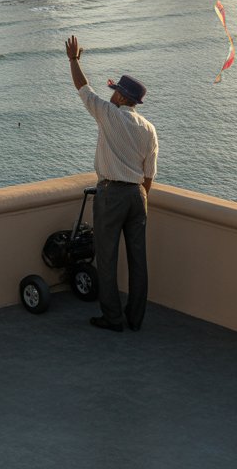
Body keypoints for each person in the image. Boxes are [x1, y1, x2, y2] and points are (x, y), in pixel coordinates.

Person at [64, 34, 159, 333]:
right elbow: (149, 176)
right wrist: (140, 200)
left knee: (106, 257)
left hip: (111, 193)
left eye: (116, 91)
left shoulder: (108, 115)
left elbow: (83, 88)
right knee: (138, 260)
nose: (113, 95)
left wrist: (73, 60)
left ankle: (113, 318)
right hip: (137, 196)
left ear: (121, 97)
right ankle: (136, 317)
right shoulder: (149, 129)